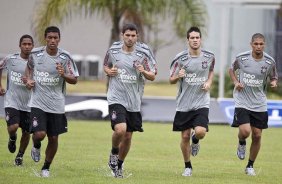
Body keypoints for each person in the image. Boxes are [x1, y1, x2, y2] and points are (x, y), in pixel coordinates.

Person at [25, 26, 79, 177]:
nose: (53, 40)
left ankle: (46, 168)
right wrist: (29, 80)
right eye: (50, 38)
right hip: (37, 102)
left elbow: (74, 79)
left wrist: (63, 74)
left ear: (59, 39)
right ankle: (36, 145)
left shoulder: (65, 57)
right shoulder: (35, 54)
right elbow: (29, 68)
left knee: (53, 137)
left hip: (56, 104)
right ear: (45, 38)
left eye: (56, 38)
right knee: (40, 134)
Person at [104, 23, 156, 178]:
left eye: (133, 35)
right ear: (122, 35)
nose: (130, 38)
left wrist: (144, 71)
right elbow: (106, 66)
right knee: (120, 129)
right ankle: (114, 152)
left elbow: (153, 75)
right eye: (127, 35)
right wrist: (109, 71)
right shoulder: (113, 50)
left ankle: (119, 164)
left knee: (128, 136)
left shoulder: (144, 52)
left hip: (134, 100)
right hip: (116, 97)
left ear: (137, 36)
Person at [229, 33, 278, 176]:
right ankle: (241, 142)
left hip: (259, 102)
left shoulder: (270, 62)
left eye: (261, 44)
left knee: (257, 135)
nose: (258, 46)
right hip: (242, 100)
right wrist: (236, 82)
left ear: (264, 45)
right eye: (256, 44)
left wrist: (274, 82)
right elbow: (231, 69)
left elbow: (274, 76)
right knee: (245, 132)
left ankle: (250, 166)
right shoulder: (242, 58)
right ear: (251, 44)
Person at [169, 26, 215, 177]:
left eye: (197, 38)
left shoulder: (209, 57)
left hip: (201, 102)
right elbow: (171, 79)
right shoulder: (179, 58)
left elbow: (211, 71)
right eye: (192, 38)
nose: (195, 40)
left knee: (201, 132)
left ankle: (196, 140)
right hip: (184, 103)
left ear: (201, 39)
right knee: (184, 137)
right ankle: (187, 166)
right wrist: (178, 76)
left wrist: (208, 82)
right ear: (187, 40)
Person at [0, 35, 34, 166]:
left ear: (33, 46)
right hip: (11, 100)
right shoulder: (10, 59)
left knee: (26, 132)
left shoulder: (35, 62)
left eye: (29, 44)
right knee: (13, 126)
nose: (27, 46)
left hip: (29, 103)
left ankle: (20, 156)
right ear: (20, 45)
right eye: (24, 44)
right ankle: (12, 137)